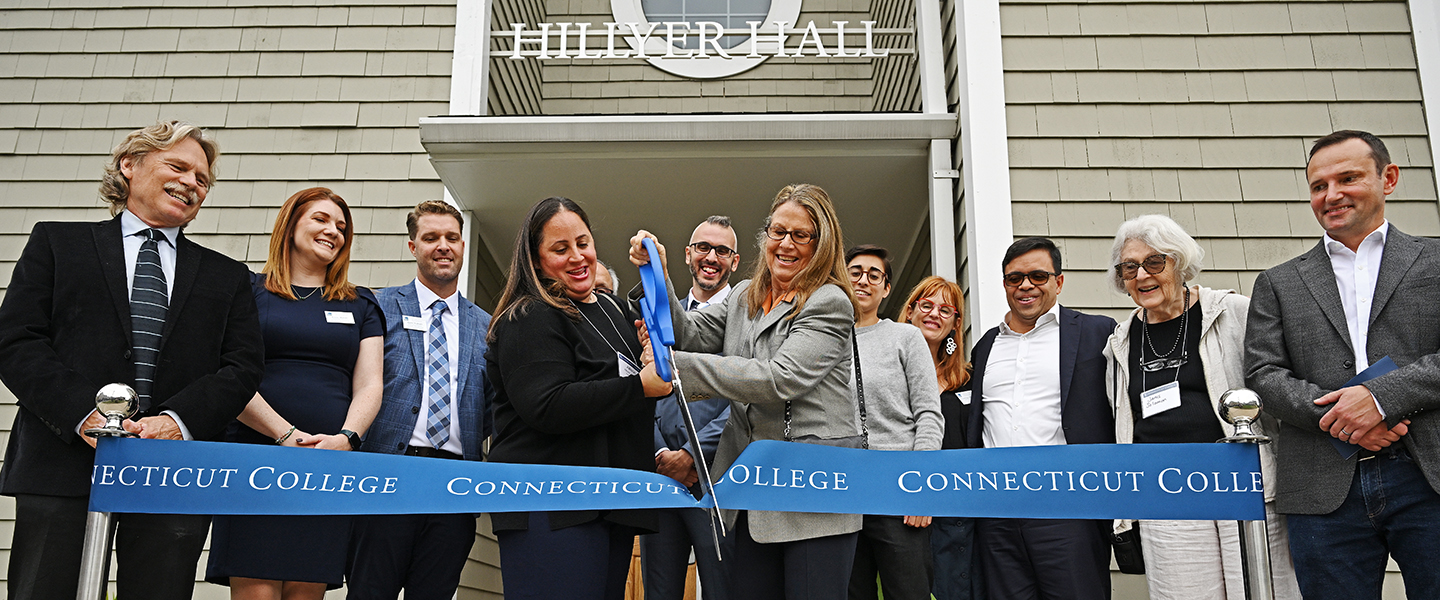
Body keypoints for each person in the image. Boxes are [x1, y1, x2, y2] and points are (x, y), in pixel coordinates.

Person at [0, 121, 264, 600]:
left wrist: (174, 421)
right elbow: (17, 341)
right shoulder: (57, 244)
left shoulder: (228, 277)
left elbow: (241, 368)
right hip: (62, 462)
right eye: (178, 166)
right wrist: (84, 414)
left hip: (173, 471)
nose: (191, 183)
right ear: (129, 165)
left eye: (202, 180)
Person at [629, 183, 862, 600]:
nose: (785, 244)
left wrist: (674, 366)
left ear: (822, 243)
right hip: (751, 495)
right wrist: (659, 273)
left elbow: (779, 378)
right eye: (777, 231)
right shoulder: (743, 295)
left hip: (813, 495)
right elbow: (690, 333)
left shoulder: (830, 302)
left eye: (800, 235)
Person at [1245, 129, 1440, 599]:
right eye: (1318, 186)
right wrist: (1346, 421)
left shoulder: (1435, 260)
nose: (1331, 195)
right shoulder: (1278, 282)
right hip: (1323, 484)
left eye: (1347, 178)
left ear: (1388, 178)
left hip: (1429, 474)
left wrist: (1377, 399)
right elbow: (1263, 375)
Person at [1102, 214, 1300, 600]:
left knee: (1263, 591)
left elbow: (1278, 384)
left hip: (1242, 483)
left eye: (1154, 262)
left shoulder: (1232, 313)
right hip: (1165, 489)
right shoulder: (1120, 342)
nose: (1142, 276)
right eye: (1130, 268)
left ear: (1179, 263)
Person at [486, 196, 672, 600]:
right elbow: (547, 404)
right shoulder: (529, 315)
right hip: (551, 507)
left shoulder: (609, 307)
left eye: (583, 243)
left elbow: (625, 379)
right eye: (560, 249)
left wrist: (645, 363)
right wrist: (638, 387)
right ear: (535, 261)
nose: (577, 257)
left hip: (609, 501)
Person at [205, 187, 384, 599]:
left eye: (341, 226)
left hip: (327, 465)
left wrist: (347, 439)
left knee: (306, 591)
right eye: (320, 219)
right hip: (256, 460)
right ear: (290, 226)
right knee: (259, 591)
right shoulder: (249, 291)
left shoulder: (361, 304)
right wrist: (284, 434)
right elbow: (230, 375)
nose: (333, 231)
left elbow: (370, 384)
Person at [347, 200, 494, 600]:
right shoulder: (378, 305)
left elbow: (495, 409)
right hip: (386, 477)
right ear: (413, 247)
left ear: (463, 245)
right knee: (369, 592)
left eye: (451, 237)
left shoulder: (487, 326)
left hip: (454, 486)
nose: (442, 246)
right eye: (431, 238)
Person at [966, 237, 1116, 600]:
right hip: (996, 511)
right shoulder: (986, 345)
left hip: (1068, 506)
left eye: (1037, 275)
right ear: (1004, 285)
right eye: (1014, 278)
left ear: (1058, 281)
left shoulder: (1099, 332)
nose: (1026, 285)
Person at [641, 216, 739, 600]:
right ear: (687, 255)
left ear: (734, 261)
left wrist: (691, 456)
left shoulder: (743, 319)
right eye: (703, 247)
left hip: (717, 481)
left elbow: (747, 399)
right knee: (659, 591)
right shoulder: (658, 313)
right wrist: (661, 454)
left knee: (723, 590)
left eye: (722, 251)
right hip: (661, 479)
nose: (711, 257)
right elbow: (639, 386)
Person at [844, 245, 943, 600]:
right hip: (842, 490)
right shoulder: (821, 339)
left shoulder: (905, 337)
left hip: (898, 490)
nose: (864, 280)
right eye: (855, 272)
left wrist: (922, 487)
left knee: (909, 592)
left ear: (886, 288)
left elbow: (929, 414)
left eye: (875, 275)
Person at [898, 276, 984, 600]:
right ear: (910, 311)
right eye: (927, 305)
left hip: (957, 515)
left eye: (945, 310)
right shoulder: (887, 373)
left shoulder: (970, 380)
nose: (934, 313)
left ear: (955, 324)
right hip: (903, 508)